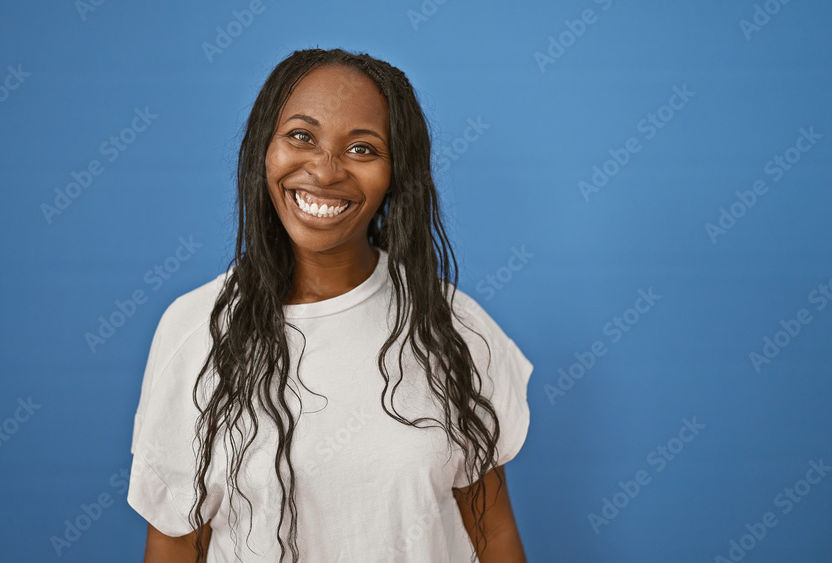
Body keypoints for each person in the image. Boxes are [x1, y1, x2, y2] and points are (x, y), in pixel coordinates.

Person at [127, 48, 532, 562]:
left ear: (395, 173)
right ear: (263, 150)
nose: (325, 169)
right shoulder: (196, 331)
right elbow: (174, 543)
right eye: (301, 136)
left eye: (362, 148)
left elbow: (492, 533)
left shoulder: (453, 328)